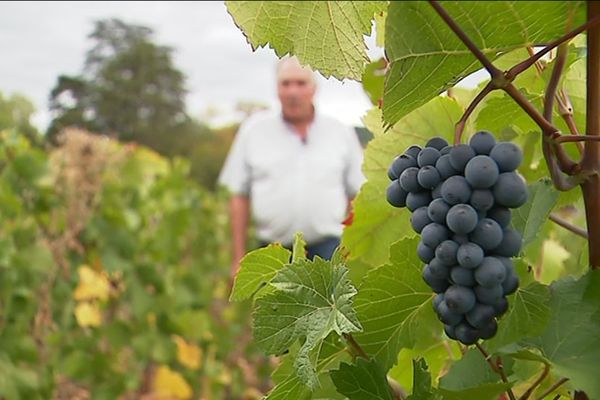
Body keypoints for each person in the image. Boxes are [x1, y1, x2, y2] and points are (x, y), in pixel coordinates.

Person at [218, 56, 365, 278]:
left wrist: (356, 249)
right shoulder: (254, 131)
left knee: (325, 311)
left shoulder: (340, 132)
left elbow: (356, 194)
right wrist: (238, 256)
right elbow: (239, 195)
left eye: (300, 83)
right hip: (272, 252)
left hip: (327, 250)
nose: (293, 92)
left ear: (314, 88)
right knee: (273, 312)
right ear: (277, 89)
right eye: (286, 84)